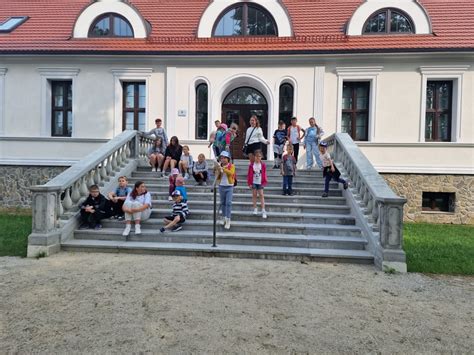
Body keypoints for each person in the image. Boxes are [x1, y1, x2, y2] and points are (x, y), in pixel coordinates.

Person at [215, 151, 236, 230]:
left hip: (229, 186)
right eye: (221, 158)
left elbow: (231, 173)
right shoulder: (220, 166)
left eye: (224, 158)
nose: (223, 160)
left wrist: (223, 169)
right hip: (221, 186)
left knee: (228, 203)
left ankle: (228, 219)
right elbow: (216, 174)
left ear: (228, 159)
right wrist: (216, 169)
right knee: (222, 203)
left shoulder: (231, 166)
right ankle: (223, 217)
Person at [247, 150, 268, 219]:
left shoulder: (263, 165)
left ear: (261, 157)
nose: (258, 158)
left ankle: (263, 210)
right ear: (254, 157)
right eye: (256, 156)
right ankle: (255, 208)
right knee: (254, 195)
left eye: (259, 156)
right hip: (254, 182)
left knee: (261, 195)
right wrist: (249, 183)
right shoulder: (251, 165)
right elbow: (249, 174)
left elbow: (264, 174)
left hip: (260, 182)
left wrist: (265, 181)